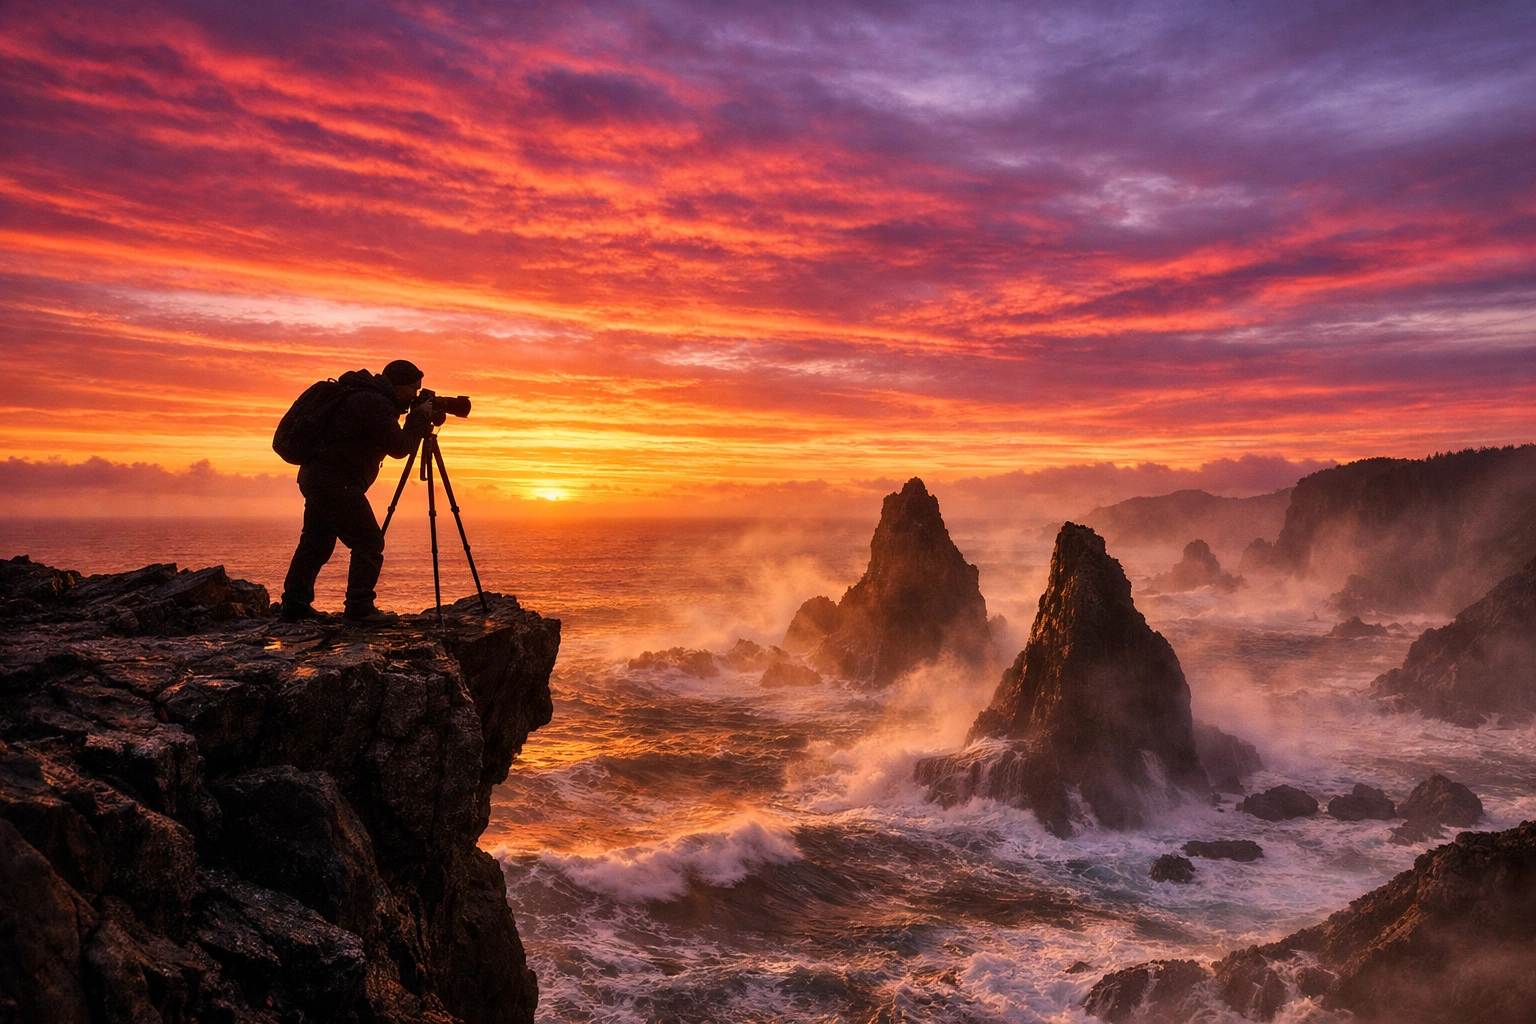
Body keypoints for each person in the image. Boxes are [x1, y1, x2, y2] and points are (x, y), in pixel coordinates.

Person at [280, 359, 434, 624]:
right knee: (368, 541)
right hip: (335, 482)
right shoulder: (374, 403)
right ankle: (359, 608)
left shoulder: (367, 396)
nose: (415, 396)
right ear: (398, 386)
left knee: (316, 542)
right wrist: (418, 419)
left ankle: (294, 606)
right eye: (413, 389)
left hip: (318, 478)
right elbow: (399, 447)